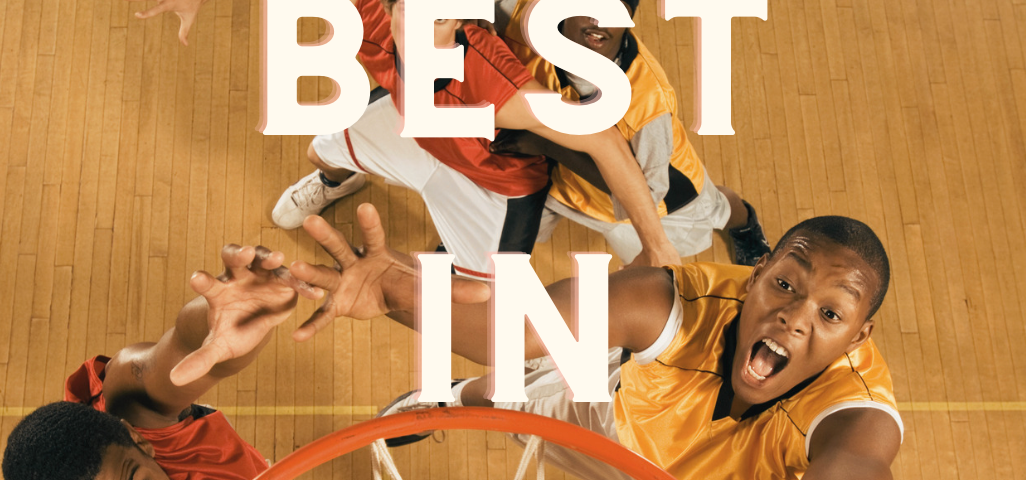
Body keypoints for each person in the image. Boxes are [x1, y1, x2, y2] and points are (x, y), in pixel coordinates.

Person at [286, 204, 904, 479]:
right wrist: (394, 291)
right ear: (757, 275)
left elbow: (856, 466)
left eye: (830, 313)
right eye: (786, 286)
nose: (795, 318)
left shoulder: (856, 414)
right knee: (510, 394)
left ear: (860, 334)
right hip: (616, 419)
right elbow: (504, 329)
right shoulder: (668, 301)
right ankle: (452, 397)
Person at [269, 0, 683, 279]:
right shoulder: (366, 18)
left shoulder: (494, 84)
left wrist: (658, 246)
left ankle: (428, 269)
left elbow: (603, 140)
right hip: (416, 132)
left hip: (493, 186)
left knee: (480, 294)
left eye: (440, 20)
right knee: (320, 153)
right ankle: (337, 181)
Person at [1, 245, 330, 480]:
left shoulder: (128, 407)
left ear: (139, 441)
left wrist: (221, 321)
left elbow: (182, 352)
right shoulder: (122, 456)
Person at [489, 0, 771, 266]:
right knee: (502, 232)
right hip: (557, 183)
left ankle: (744, 224)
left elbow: (647, 192)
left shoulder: (649, 104)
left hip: (658, 201)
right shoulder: (520, 18)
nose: (600, 18)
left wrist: (546, 143)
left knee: (718, 208)